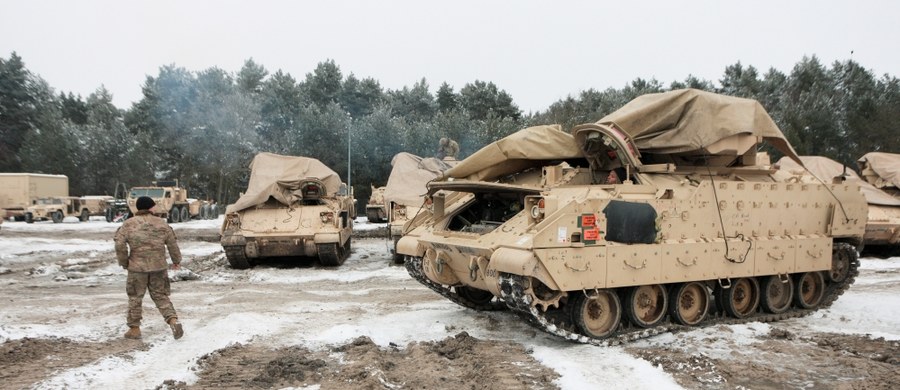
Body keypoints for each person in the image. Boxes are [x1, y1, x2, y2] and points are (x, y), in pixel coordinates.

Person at [114, 196, 184, 340]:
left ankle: (134, 329)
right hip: (158, 267)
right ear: (151, 208)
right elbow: (172, 244)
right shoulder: (162, 224)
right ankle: (173, 320)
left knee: (135, 297)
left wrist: (124, 262)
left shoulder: (128, 224)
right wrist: (176, 260)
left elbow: (119, 245)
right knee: (160, 296)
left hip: (137, 268)